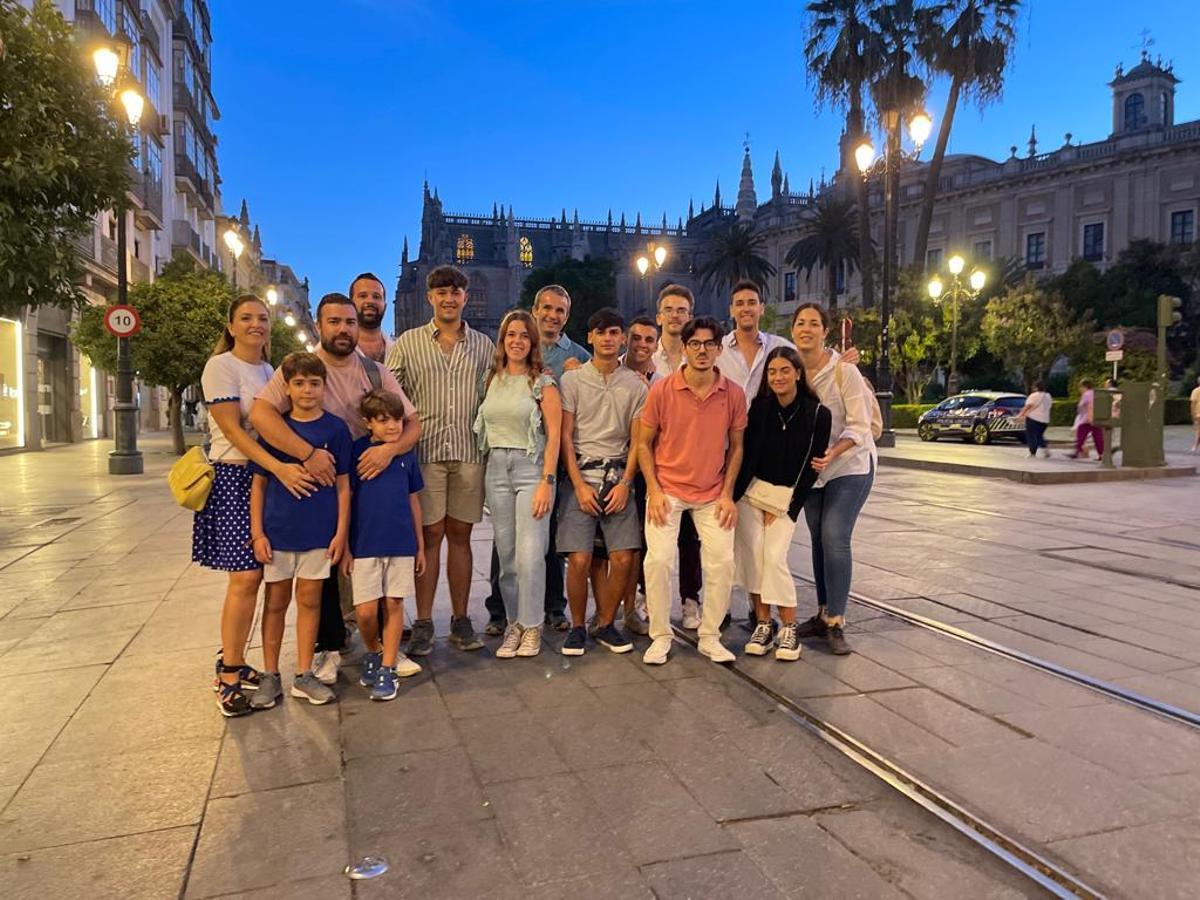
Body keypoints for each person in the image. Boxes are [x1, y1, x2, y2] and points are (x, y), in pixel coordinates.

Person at [251, 293, 419, 685]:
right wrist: (306, 454)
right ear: (320, 326)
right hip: (321, 485)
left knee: (367, 565)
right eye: (334, 322)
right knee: (324, 573)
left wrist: (389, 450)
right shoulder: (303, 368)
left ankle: (381, 652)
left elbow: (412, 422)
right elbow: (261, 414)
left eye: (349, 322)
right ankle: (328, 648)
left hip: (370, 478)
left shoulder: (375, 372)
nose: (343, 329)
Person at [197, 295, 313, 717]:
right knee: (245, 578)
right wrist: (280, 468)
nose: (256, 325)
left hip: (263, 477)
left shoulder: (268, 370)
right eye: (246, 318)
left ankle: (236, 657)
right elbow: (235, 431)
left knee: (264, 575)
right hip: (234, 476)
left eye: (262, 318)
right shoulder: (220, 367)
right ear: (230, 326)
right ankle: (228, 673)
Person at [386, 266, 495, 656]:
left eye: (456, 292)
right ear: (429, 297)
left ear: (465, 297)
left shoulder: (484, 345)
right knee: (429, 537)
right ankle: (425, 620)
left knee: (461, 538)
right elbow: (390, 398)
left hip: (468, 452)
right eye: (441, 292)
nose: (449, 298)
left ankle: (462, 619)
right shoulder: (408, 344)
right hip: (425, 454)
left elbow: (496, 393)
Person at [638, 315, 746, 666]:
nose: (702, 350)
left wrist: (728, 493)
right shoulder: (663, 390)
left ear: (718, 349)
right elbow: (643, 443)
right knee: (657, 562)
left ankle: (710, 635)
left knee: (723, 563)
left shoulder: (732, 393)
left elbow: (737, 446)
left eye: (709, 344)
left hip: (713, 491)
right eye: (695, 344)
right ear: (684, 348)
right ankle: (660, 635)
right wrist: (653, 490)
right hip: (668, 488)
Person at [249, 352, 352, 708]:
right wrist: (258, 533)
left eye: (314, 383)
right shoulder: (275, 427)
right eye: (299, 383)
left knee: (310, 601)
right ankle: (270, 674)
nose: (307, 390)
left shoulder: (336, 429)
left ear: (324, 387)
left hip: (318, 534)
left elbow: (343, 485)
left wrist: (341, 533)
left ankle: (305, 673)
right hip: (278, 532)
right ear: (287, 388)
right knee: (275, 602)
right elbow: (259, 484)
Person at [557, 308, 646, 656]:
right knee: (578, 559)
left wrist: (626, 483)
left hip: (619, 476)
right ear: (590, 337)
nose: (608, 338)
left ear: (622, 338)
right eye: (600, 332)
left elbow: (638, 441)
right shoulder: (573, 381)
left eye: (614, 332)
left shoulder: (635, 385)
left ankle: (606, 623)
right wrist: (578, 485)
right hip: (582, 474)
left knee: (623, 557)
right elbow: (565, 436)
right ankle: (577, 626)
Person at [733, 348, 831, 660]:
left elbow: (810, 469)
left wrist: (787, 508)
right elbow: (748, 458)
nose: (778, 377)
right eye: (772, 371)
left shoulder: (818, 414)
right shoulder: (760, 408)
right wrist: (734, 498)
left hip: (786, 499)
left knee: (774, 558)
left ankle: (789, 627)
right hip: (751, 495)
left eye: (785, 370)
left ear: (798, 373)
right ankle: (764, 623)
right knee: (753, 558)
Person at [474, 309, 561, 659]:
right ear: (502, 339)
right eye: (511, 334)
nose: (517, 341)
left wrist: (547, 481)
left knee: (530, 556)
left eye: (524, 335)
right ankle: (513, 623)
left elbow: (555, 435)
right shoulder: (490, 379)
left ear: (533, 342)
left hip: (531, 470)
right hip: (496, 469)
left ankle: (532, 625)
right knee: (507, 557)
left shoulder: (543, 382)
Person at [791, 303, 876, 656]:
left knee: (834, 534)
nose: (806, 328)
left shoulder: (844, 370)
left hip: (850, 464)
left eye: (814, 323)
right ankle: (823, 613)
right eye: (800, 323)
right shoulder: (792, 370)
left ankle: (837, 622)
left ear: (825, 331)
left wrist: (833, 452)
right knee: (816, 538)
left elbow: (860, 424)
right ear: (792, 330)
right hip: (814, 469)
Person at [342, 390, 426, 701]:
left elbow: (413, 500)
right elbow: (347, 498)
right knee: (365, 612)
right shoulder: (357, 452)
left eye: (397, 420)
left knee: (394, 604)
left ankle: (388, 669)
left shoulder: (405, 456)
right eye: (383, 421)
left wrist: (419, 545)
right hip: (364, 544)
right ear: (368, 424)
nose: (392, 427)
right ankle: (374, 652)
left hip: (400, 543)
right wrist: (346, 545)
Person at [650, 285, 705, 631]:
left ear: (690, 317)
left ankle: (690, 599)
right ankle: (645, 597)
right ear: (659, 317)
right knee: (653, 537)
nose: (675, 315)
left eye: (682, 310)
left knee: (690, 538)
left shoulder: (701, 357)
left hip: (693, 460)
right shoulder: (641, 355)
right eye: (669, 309)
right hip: (654, 460)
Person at [720, 280, 795, 399]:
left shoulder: (780, 347)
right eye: (739, 304)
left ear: (762, 308)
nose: (746, 309)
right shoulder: (717, 350)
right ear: (731, 311)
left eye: (751, 303)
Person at [349, 272, 394, 363]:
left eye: (376, 297)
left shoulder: (400, 350)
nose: (370, 301)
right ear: (350, 304)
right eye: (363, 296)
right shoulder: (329, 351)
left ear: (385, 306)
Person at [1017, 380, 1053, 458]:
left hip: (1033, 418)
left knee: (1031, 436)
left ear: (1036, 387)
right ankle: (1045, 448)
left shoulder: (1034, 395)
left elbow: (1028, 406)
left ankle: (1032, 453)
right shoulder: (1048, 396)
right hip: (1045, 420)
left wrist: (1020, 414)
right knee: (1039, 436)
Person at [1069, 379, 1103, 460]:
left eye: (1080, 387)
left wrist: (1084, 415)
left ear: (1085, 387)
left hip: (1087, 419)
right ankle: (1101, 454)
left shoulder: (1086, 394)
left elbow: (1083, 406)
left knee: (1081, 434)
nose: (1079, 389)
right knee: (1098, 437)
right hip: (1097, 418)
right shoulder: (1096, 393)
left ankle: (1077, 452)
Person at [1190, 375, 1200, 454]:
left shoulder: (1195, 391)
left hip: (1198, 414)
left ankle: (1194, 447)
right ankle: (1195, 447)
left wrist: (1192, 414)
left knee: (1198, 431)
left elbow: (1193, 403)